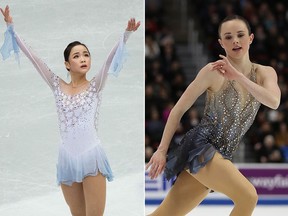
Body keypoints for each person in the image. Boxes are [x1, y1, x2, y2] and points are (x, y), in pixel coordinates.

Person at [0, 5, 140, 216]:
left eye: (86, 55)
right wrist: (11, 28)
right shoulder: (57, 86)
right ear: (67, 64)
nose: (83, 58)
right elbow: (34, 58)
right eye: (76, 56)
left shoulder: (95, 86)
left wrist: (126, 35)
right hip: (66, 159)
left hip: (91, 157)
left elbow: (109, 62)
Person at [146, 15, 280, 216]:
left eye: (240, 35)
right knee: (248, 197)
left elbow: (274, 102)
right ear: (221, 43)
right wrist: (161, 150)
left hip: (221, 153)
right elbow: (178, 110)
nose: (235, 40)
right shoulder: (212, 71)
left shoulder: (265, 73)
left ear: (250, 38)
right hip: (200, 148)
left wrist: (240, 77)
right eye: (228, 37)